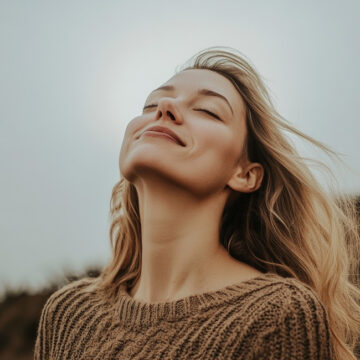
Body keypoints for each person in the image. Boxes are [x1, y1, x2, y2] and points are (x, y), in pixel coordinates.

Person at [34, 46, 360, 360]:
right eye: (150, 105)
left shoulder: (277, 314)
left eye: (206, 110)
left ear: (245, 174)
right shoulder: (67, 313)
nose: (165, 109)